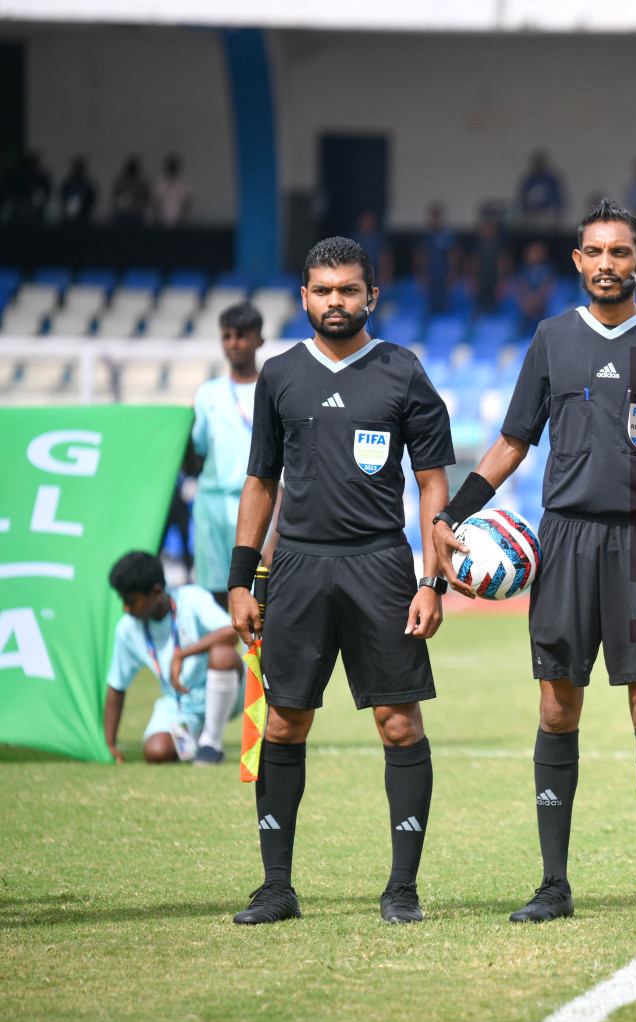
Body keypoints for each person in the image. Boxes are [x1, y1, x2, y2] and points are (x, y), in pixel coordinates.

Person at [429, 200, 636, 925]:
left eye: (621, 252)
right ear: (577, 261)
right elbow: (511, 442)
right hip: (564, 539)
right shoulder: (552, 338)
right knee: (557, 706)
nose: (607, 264)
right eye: (594, 252)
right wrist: (450, 514)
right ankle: (553, 883)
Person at [226, 236, 455, 926]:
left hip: (381, 566)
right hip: (295, 566)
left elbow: (432, 483)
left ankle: (403, 888)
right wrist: (241, 579)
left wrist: (432, 581)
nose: (335, 302)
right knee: (287, 722)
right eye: (323, 290)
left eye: (348, 290)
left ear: (370, 297)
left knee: (398, 722)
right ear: (303, 298)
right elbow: (261, 480)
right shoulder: (279, 375)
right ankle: (276, 887)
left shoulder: (402, 372)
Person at [185, 303, 272, 763]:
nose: (234, 343)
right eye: (227, 335)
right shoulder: (207, 394)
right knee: (219, 609)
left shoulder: (274, 386)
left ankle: (267, 721)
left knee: (266, 606)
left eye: (242, 334)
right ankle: (211, 728)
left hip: (261, 505)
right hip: (213, 510)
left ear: (259, 338)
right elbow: (193, 455)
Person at [102, 552, 240, 766]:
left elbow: (232, 632)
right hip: (181, 705)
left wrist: (182, 654)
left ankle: (211, 743)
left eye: (130, 601)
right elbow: (116, 687)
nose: (125, 608)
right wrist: (109, 744)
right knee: (155, 751)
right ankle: (196, 736)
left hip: (233, 692)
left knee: (223, 654)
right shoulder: (127, 630)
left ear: (156, 592)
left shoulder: (192, 598)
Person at [416, 204, 458, 315]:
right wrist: (421, 274)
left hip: (443, 274)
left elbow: (451, 255)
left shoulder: (446, 234)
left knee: (443, 303)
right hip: (429, 273)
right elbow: (421, 255)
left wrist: (452, 274)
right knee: (429, 304)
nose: (435, 219)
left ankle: (442, 328)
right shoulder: (426, 235)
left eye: (437, 216)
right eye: (433, 216)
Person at [508, 240, 556, 335]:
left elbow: (548, 285)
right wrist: (527, 300)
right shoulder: (522, 270)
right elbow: (520, 286)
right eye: (532, 252)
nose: (534, 255)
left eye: (537, 252)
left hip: (542, 307)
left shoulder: (548, 269)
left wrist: (537, 299)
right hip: (525, 307)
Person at [470, 212, 509, 316]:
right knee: (479, 307)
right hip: (481, 280)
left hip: (494, 280)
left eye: (489, 229)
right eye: (484, 229)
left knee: (493, 308)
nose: (486, 231)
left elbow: (501, 264)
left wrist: (501, 281)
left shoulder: (498, 246)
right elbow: (475, 264)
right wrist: (474, 279)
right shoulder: (479, 246)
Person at [518, 151, 565, 227]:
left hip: (547, 213)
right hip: (532, 213)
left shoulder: (550, 179)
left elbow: (558, 198)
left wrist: (557, 215)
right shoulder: (530, 179)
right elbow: (523, 198)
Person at [153, 155, 191, 227]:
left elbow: (187, 204)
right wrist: (157, 218)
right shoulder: (161, 184)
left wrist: (183, 219)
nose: (172, 170)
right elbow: (156, 203)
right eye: (170, 168)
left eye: (173, 168)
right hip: (162, 222)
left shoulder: (182, 185)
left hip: (178, 223)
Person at [110, 157, 150, 226]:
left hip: (136, 214)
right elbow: (115, 195)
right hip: (122, 213)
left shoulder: (141, 183)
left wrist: (137, 206)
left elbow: (146, 197)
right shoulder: (121, 181)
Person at [59, 157, 96, 224]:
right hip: (68, 218)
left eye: (80, 170)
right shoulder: (67, 185)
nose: (78, 172)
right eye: (77, 170)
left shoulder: (88, 186)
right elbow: (62, 198)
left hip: (84, 218)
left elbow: (91, 200)